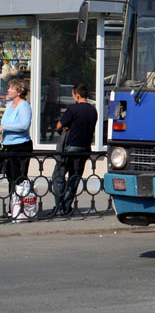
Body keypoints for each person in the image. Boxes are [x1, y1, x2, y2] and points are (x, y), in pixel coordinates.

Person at [50, 83, 97, 216]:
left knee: (58, 176)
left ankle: (60, 206)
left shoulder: (73, 109)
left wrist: (65, 126)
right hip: (85, 148)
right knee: (74, 178)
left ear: (77, 95)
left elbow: (59, 125)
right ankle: (66, 206)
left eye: (72, 95)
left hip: (69, 148)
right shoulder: (93, 111)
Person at [0, 77, 32, 195]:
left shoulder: (24, 106)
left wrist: (5, 127)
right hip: (8, 146)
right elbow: (3, 122)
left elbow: (24, 125)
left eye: (11, 88)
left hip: (20, 146)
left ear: (19, 91)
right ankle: (12, 209)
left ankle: (19, 208)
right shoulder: (9, 106)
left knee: (18, 178)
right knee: (10, 178)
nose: (8, 90)